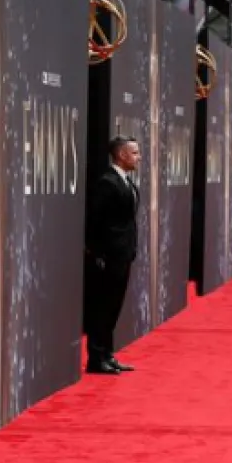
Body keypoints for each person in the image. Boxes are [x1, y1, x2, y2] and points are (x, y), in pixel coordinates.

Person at [84, 137, 140, 375]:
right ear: (121, 155)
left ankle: (107, 354)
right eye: (135, 153)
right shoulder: (107, 183)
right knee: (102, 307)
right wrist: (99, 253)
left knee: (113, 307)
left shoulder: (126, 182)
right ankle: (96, 358)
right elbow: (95, 221)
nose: (139, 157)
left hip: (123, 255)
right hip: (108, 257)